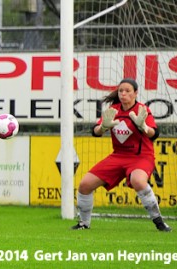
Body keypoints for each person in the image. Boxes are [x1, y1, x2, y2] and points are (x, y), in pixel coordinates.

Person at [71, 78, 170, 232]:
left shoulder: (142, 110)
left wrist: (143, 126)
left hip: (141, 156)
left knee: (138, 181)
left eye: (127, 91)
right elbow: (95, 132)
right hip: (118, 156)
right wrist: (103, 127)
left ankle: (159, 223)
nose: (123, 94)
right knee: (85, 185)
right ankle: (84, 223)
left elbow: (154, 134)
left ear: (135, 93)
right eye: (120, 91)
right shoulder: (113, 110)